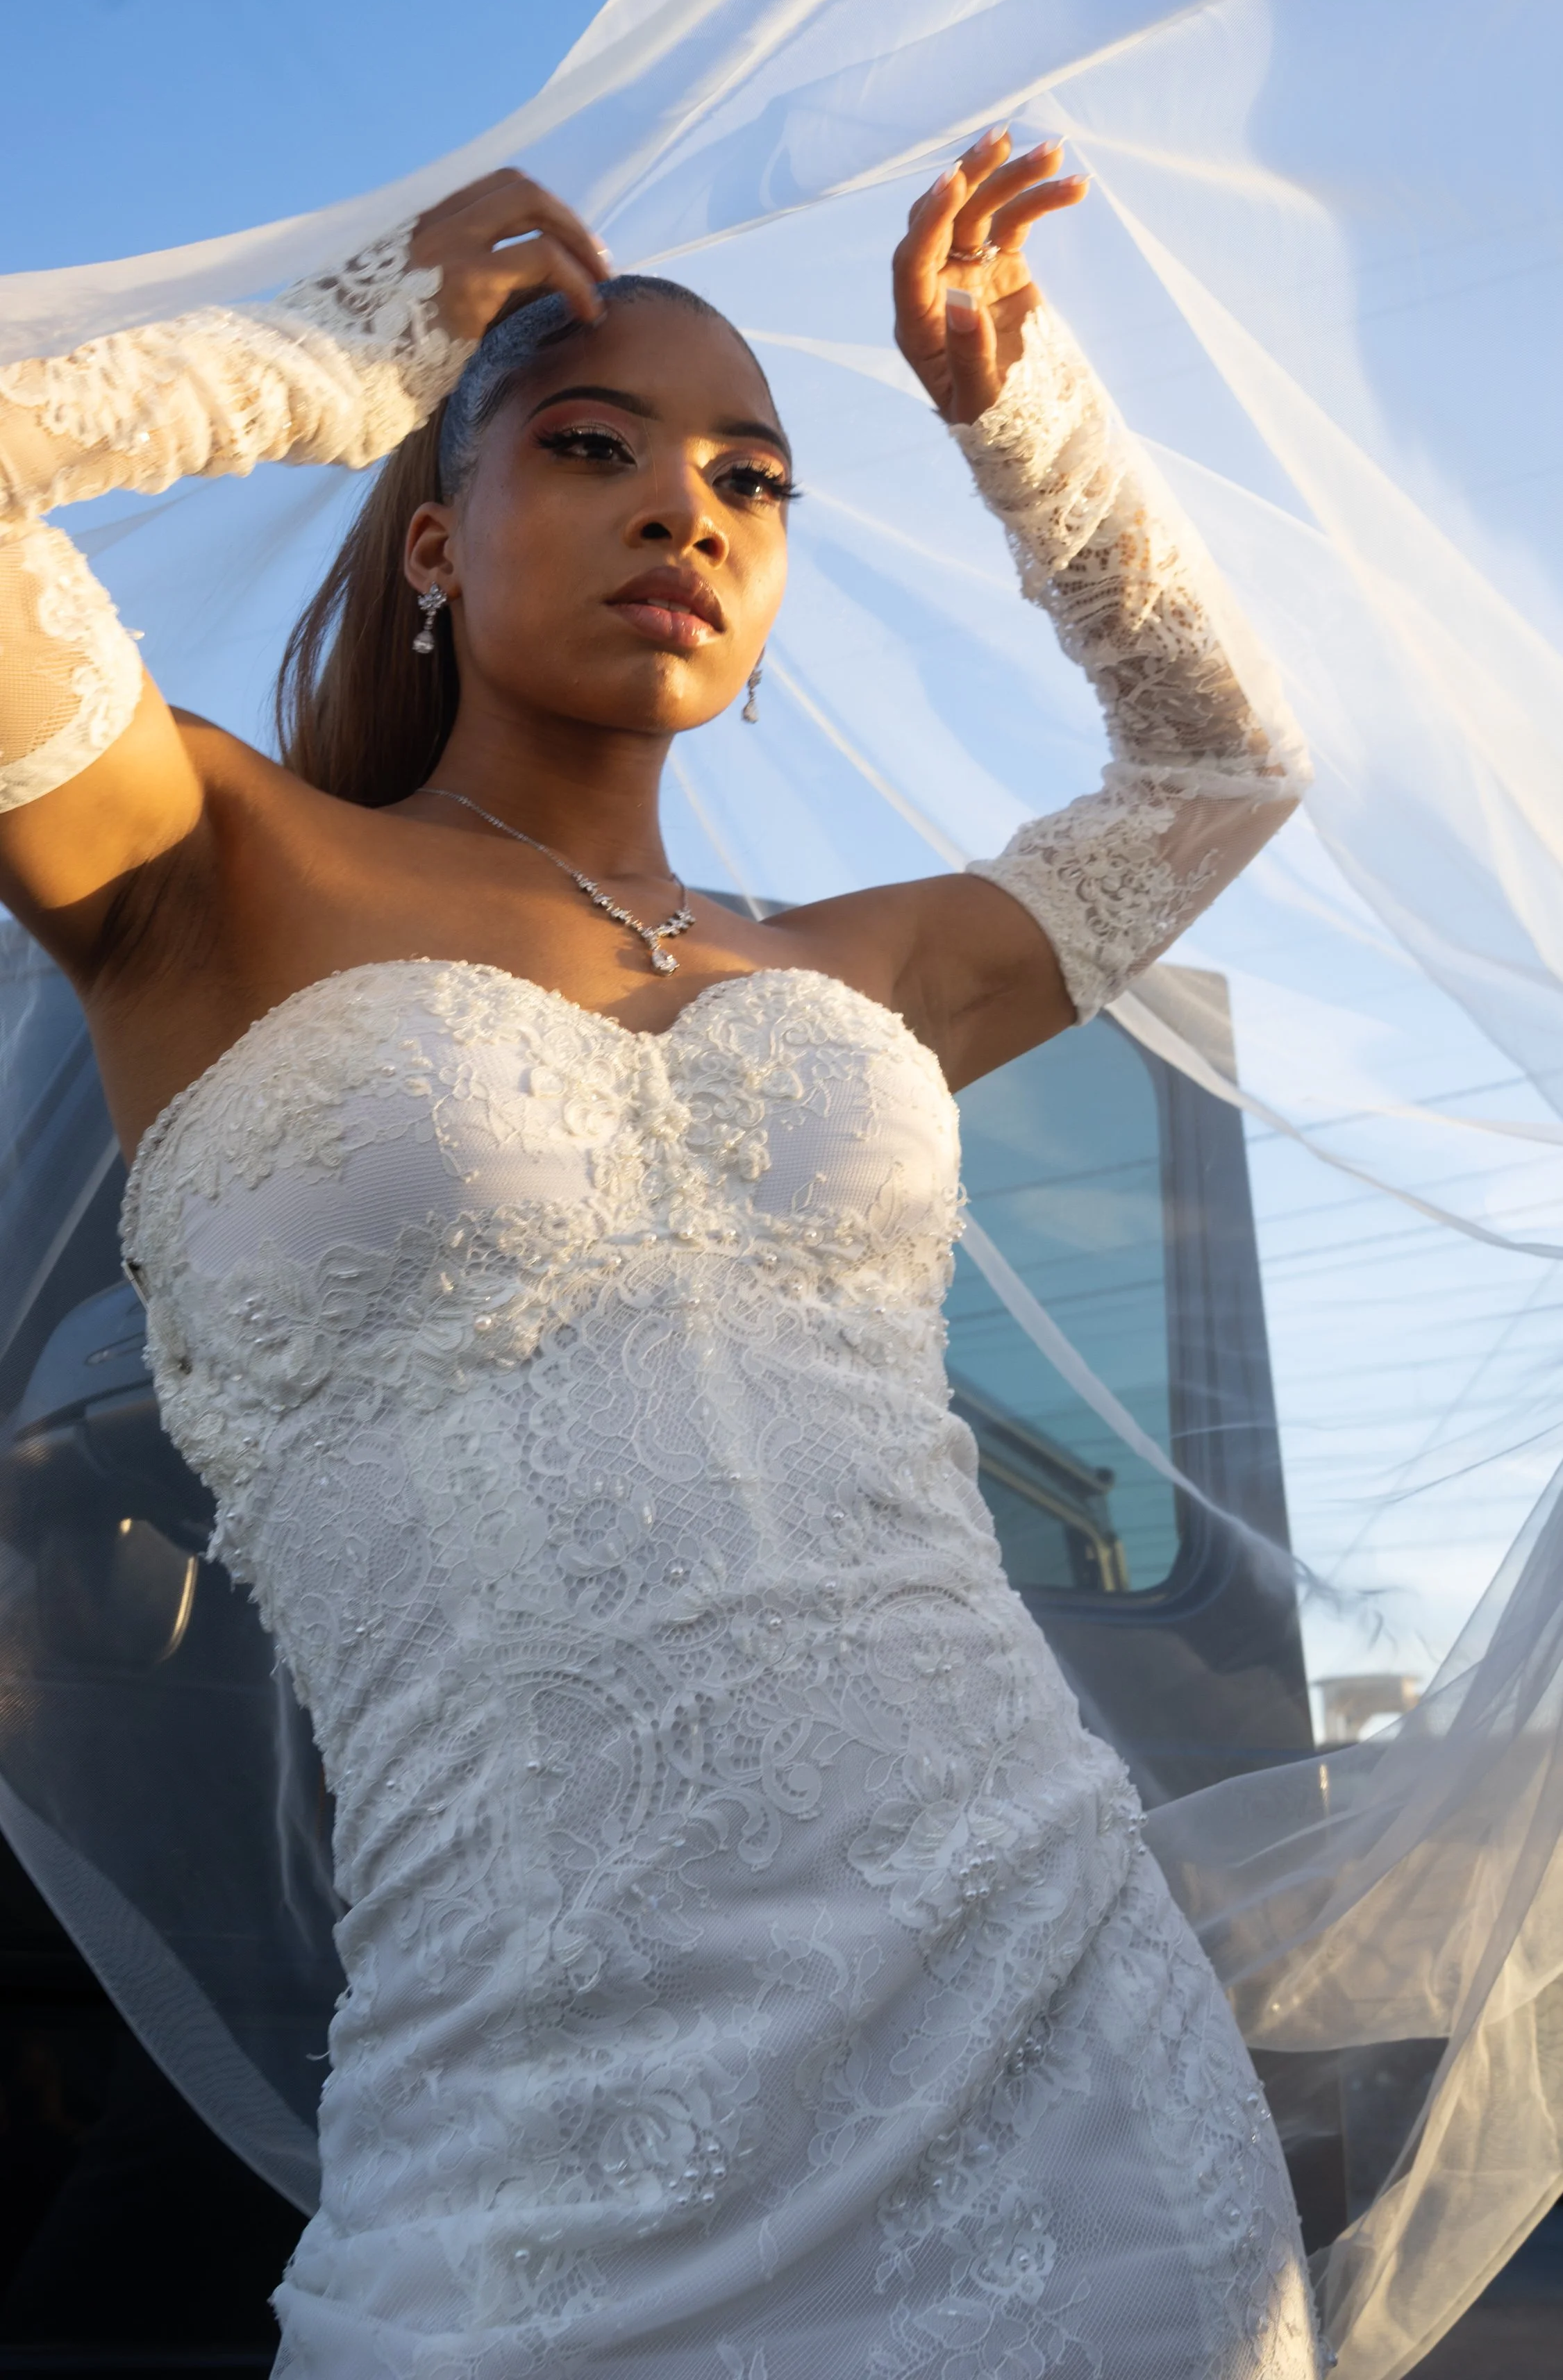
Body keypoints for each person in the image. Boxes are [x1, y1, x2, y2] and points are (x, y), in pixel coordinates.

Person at [0, 135, 1314, 2377]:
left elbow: (1217, 768)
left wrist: (1029, 434)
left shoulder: (857, 964)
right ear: (435, 530)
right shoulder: (212, 860)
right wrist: (322, 364)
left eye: (753, 477)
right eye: (591, 445)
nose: (685, 509)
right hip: (539, 2130)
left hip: (1069, 2029)